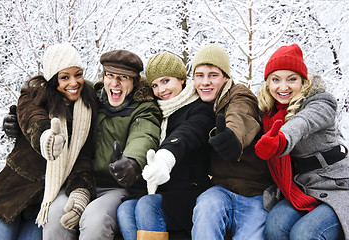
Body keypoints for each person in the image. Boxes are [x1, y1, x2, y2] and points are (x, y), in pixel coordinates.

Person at [0, 43, 98, 240]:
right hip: (10, 195)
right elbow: (32, 118)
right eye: (64, 77)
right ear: (52, 78)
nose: (73, 83)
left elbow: (83, 157)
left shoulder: (88, 108)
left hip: (43, 205)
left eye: (78, 74)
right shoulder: (32, 96)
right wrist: (45, 137)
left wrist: (80, 191)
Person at [116, 52, 215, 240]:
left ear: (181, 79)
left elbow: (186, 135)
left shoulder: (199, 109)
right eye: (154, 85)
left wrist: (164, 158)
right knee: (125, 209)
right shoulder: (157, 112)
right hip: (162, 191)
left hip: (189, 191)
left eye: (166, 81)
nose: (161, 90)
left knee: (147, 206)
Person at [255, 43, 348, 239]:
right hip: (301, 187)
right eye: (276, 79)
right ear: (268, 83)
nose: (283, 87)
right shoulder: (267, 112)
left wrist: (280, 139)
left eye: (292, 79)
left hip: (335, 185)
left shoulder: (321, 102)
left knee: (304, 234)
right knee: (275, 226)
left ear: (303, 81)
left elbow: (302, 123)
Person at [190, 44, 272, 240]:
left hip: (253, 193)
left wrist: (233, 137)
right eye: (199, 75)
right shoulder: (197, 103)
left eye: (213, 75)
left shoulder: (240, 95)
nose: (205, 82)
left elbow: (241, 115)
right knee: (205, 209)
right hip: (219, 190)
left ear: (226, 77)